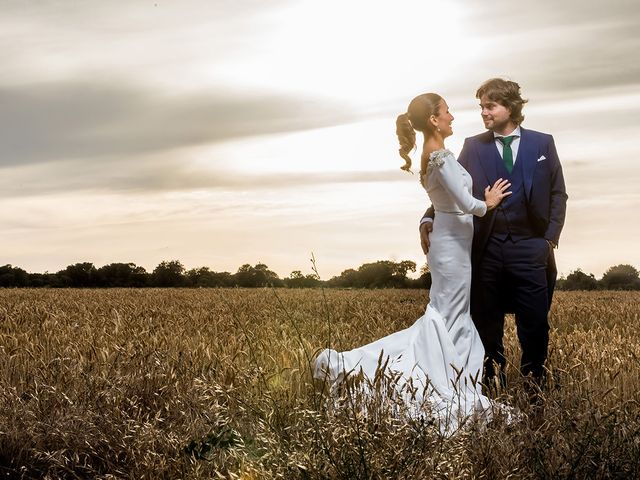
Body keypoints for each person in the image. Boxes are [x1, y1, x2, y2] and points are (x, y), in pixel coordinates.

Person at [314, 93, 512, 435]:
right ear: (434, 120)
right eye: (447, 112)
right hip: (451, 250)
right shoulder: (438, 157)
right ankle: (385, 370)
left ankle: (453, 374)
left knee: (450, 314)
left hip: (452, 246)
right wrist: (489, 201)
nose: (452, 117)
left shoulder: (437, 156)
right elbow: (468, 205)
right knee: (446, 315)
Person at [420, 78, 568, 391]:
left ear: (511, 107)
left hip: (531, 246)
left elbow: (558, 193)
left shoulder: (543, 143)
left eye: (491, 106)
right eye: (481, 107)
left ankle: (534, 384)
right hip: (486, 249)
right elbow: (450, 187)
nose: (484, 113)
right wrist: (428, 216)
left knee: (535, 321)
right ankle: (490, 385)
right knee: (486, 321)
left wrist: (550, 238)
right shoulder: (474, 146)